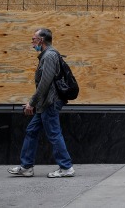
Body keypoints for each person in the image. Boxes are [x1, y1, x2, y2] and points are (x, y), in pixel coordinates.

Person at [8, 28, 75, 178]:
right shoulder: (46, 55)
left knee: (54, 133)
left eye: (33, 39)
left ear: (41, 40)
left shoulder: (50, 55)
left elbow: (45, 83)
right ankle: (26, 167)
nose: (32, 43)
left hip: (50, 102)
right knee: (32, 131)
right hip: (44, 103)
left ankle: (66, 167)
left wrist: (32, 103)